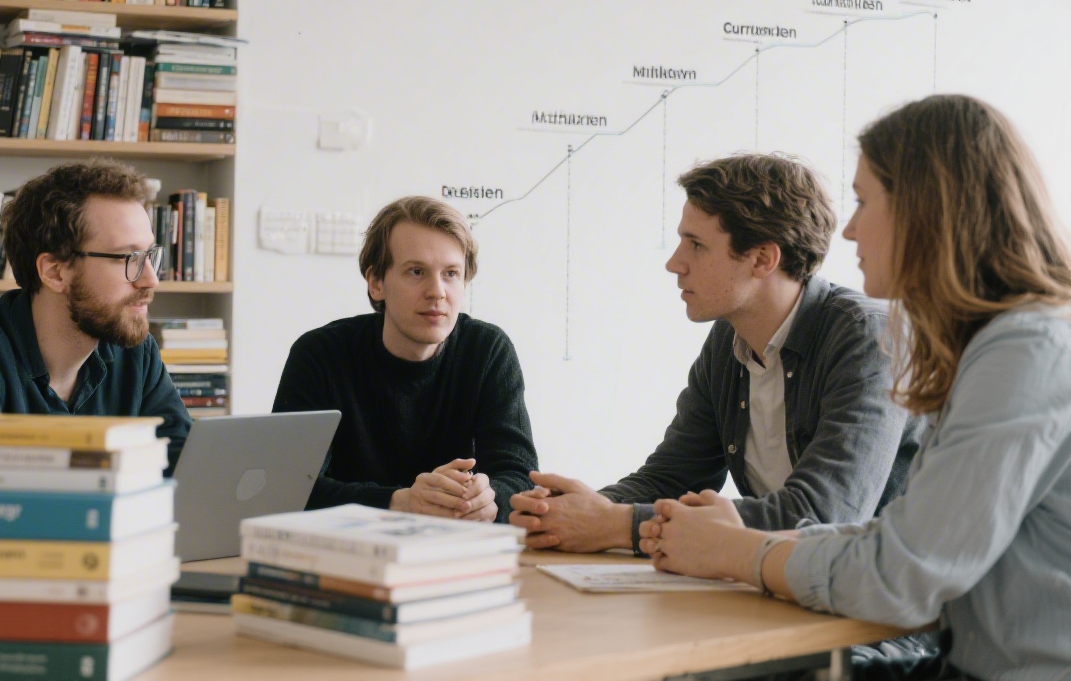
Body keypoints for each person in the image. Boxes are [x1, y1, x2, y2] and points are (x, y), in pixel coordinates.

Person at [643, 95, 1071, 678]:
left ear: (928, 210)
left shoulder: (1027, 351)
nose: (847, 229)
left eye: (865, 201)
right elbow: (900, 541)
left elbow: (903, 573)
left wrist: (734, 549)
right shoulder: (991, 345)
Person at [509, 153, 922, 552]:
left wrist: (616, 525)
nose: (675, 263)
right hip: (790, 587)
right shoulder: (730, 339)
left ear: (762, 258)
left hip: (889, 612)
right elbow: (673, 476)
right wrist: (566, 510)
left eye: (696, 245)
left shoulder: (868, 337)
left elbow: (823, 516)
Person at [0, 159, 190, 484]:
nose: (150, 280)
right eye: (128, 258)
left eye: (150, 257)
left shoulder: (135, 353)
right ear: (55, 272)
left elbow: (190, 473)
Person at [272, 195, 538, 522]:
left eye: (451, 273)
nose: (437, 291)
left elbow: (521, 478)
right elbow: (289, 491)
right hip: (343, 549)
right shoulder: (319, 355)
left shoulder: (487, 350)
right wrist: (402, 502)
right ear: (376, 283)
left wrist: (489, 497)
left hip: (453, 550)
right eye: (416, 271)